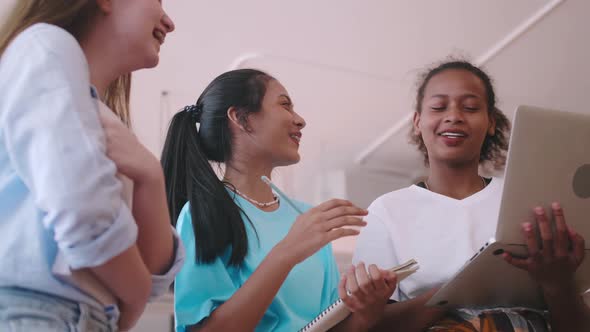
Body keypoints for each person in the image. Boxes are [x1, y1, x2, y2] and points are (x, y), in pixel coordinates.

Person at [353, 60, 590, 331]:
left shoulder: (526, 201)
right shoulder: (386, 211)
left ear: (491, 122)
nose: (454, 116)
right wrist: (455, 291)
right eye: (439, 107)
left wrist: (559, 285)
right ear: (418, 122)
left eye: (470, 107)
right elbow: (372, 325)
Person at [162, 68, 398, 331]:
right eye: (285, 105)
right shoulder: (201, 214)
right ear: (240, 118)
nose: (300, 120)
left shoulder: (307, 219)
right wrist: (287, 253)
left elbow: (328, 326)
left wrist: (367, 312)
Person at [0, 1, 183, 330]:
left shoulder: (100, 120)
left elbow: (149, 271)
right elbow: (84, 213)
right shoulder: (47, 45)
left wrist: (151, 177)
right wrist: (136, 292)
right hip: (37, 311)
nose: (169, 22)